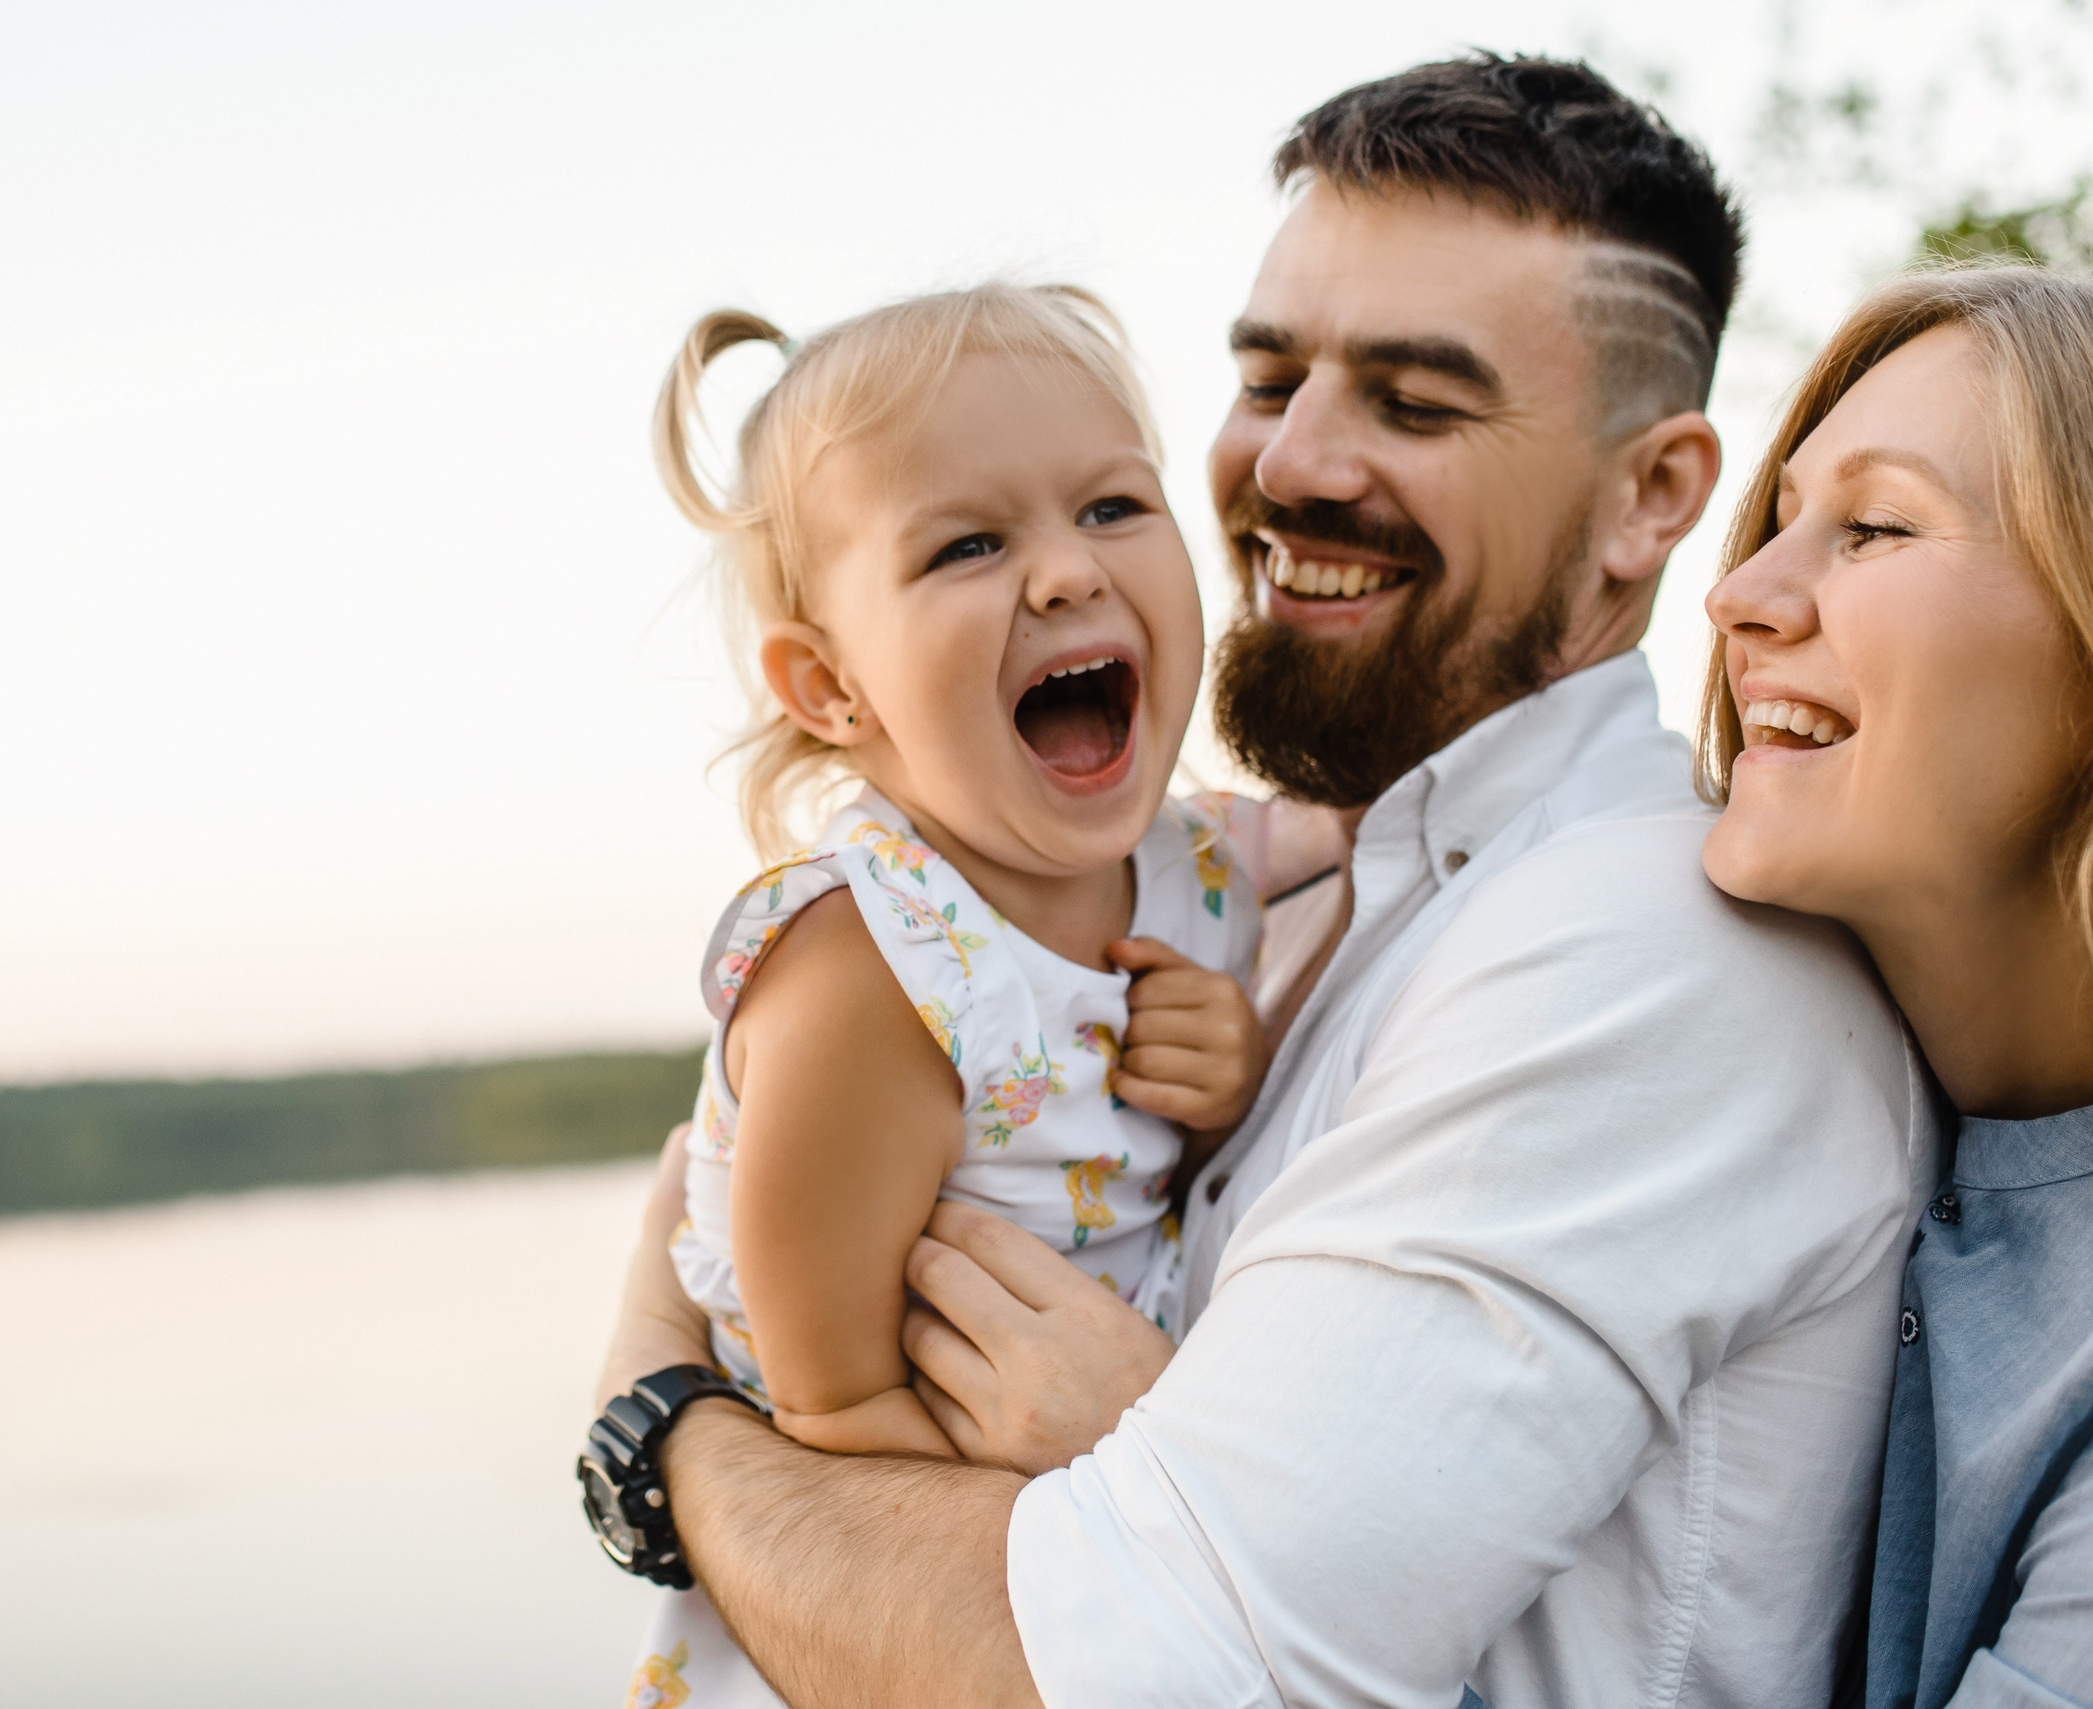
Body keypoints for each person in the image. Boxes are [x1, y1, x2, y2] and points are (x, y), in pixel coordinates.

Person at [594, 56, 1933, 1705]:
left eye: (1415, 402)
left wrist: (672, 1432)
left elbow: (1157, 1672)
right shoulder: (1290, 898)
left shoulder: (1650, 953)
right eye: (1266, 376)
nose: (1288, 464)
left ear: (1650, 496)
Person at [622, 285, 1341, 1704]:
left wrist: (1226, 1078)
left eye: (1114, 507)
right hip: (879, 1601)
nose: (1068, 571)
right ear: (829, 686)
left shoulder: (1200, 873)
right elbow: (832, 1408)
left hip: (1089, 1533)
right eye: (968, 543)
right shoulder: (867, 974)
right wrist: (1095, 1499)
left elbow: (1147, 1171)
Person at [1695, 265, 2093, 1707]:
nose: (1737, 594)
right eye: (1779, 523)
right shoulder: (1716, 1059)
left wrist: (1194, 1541)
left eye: (1875, 528)